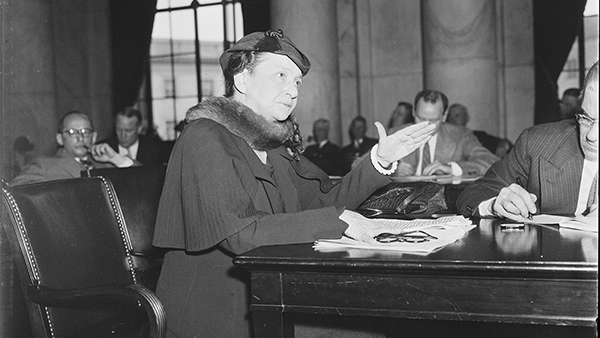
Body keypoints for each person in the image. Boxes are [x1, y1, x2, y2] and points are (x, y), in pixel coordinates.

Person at [151, 29, 435, 338]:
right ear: (242, 79)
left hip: (268, 297)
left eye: (297, 80)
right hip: (214, 312)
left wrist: (378, 159)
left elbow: (322, 203)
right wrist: (336, 222)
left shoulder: (273, 146)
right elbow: (240, 234)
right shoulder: (204, 137)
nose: (293, 90)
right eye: (281, 75)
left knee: (377, 327)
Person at [457, 61, 598, 221]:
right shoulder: (538, 144)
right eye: (586, 118)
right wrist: (495, 205)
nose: (591, 136)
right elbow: (475, 193)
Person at [11, 111, 135, 186]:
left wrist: (116, 158)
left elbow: (145, 182)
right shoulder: (44, 165)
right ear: (60, 139)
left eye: (85, 131)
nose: (80, 138)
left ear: (94, 137)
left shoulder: (109, 164)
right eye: (72, 132)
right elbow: (14, 193)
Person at [393, 90, 499, 177]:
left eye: (433, 121)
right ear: (413, 112)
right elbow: (378, 172)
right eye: (420, 118)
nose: (425, 126)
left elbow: (492, 162)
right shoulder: (395, 134)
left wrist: (452, 168)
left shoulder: (460, 136)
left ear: (444, 116)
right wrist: (393, 171)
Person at [99, 107, 171, 166]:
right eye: (119, 130)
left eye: (128, 131)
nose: (123, 135)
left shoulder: (156, 148)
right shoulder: (103, 148)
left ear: (139, 128)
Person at [446, 103, 513, 158]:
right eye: (450, 116)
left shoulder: (479, 136)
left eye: (457, 116)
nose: (452, 119)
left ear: (466, 118)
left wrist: (502, 144)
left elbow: (505, 143)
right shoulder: (443, 137)